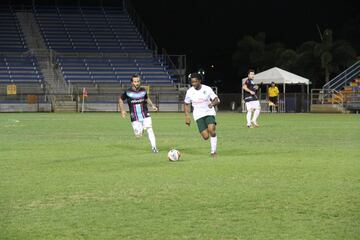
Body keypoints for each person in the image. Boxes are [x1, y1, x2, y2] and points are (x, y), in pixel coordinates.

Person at [118, 74, 159, 153]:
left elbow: (147, 98)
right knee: (138, 135)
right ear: (131, 83)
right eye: (135, 81)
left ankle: (154, 148)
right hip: (135, 117)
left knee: (150, 129)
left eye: (138, 81)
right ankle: (142, 129)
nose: (137, 83)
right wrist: (122, 110)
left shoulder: (143, 90)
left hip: (145, 114)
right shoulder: (128, 92)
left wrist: (152, 106)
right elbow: (120, 99)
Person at [184, 73, 220, 157]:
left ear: (199, 81)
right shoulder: (189, 92)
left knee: (211, 130)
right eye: (192, 82)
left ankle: (213, 151)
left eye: (195, 82)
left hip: (209, 112)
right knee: (206, 137)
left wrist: (212, 104)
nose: (193, 84)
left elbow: (216, 99)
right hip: (198, 115)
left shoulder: (207, 89)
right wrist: (187, 116)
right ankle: (208, 129)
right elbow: (186, 104)